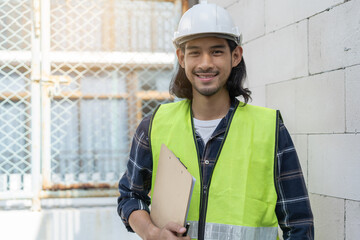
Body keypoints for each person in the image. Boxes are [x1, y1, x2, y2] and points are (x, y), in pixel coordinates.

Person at [117, 1, 314, 239]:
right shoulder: (155, 124)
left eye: (217, 51)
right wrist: (152, 233)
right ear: (181, 58)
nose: (206, 63)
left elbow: (299, 225)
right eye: (195, 52)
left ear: (235, 56)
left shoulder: (269, 129)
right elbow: (129, 196)